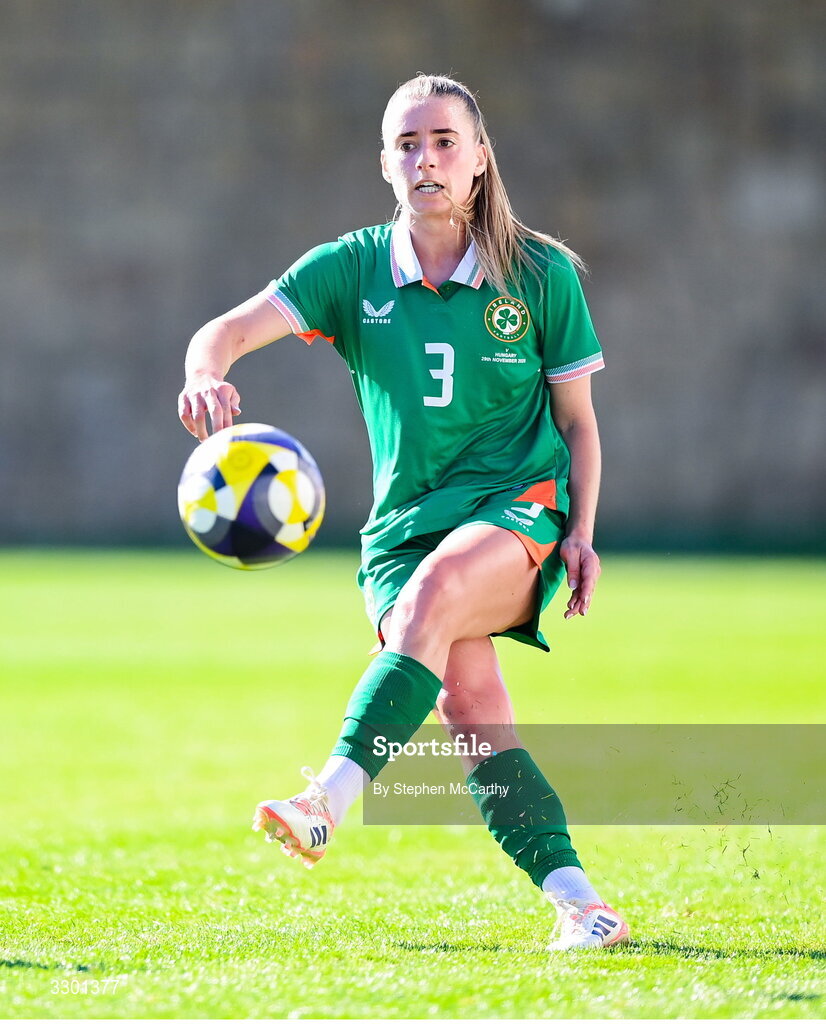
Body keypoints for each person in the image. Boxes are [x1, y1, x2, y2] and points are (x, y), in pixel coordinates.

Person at [178, 74, 629, 952]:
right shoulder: (349, 268)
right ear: (385, 163)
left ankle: (325, 802)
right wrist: (204, 373)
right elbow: (222, 333)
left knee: (430, 602)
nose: (426, 159)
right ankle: (581, 905)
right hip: (401, 533)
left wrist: (579, 532)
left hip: (517, 504)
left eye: (444, 142)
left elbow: (578, 424)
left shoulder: (541, 276)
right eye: (407, 144)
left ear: (479, 158)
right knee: (473, 719)